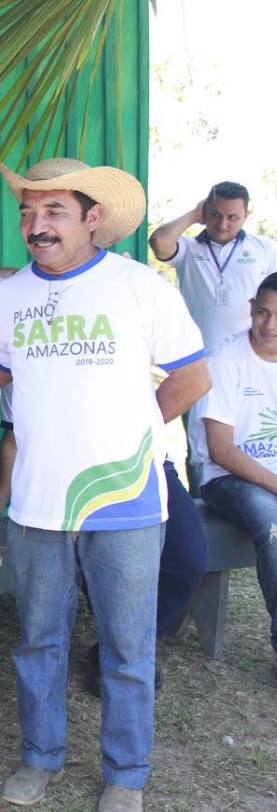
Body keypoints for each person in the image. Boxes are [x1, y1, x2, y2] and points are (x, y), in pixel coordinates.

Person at [0, 157, 209, 812]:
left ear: (92, 218)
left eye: (52, 211)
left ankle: (125, 773)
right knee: (36, 640)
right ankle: (40, 757)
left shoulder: (139, 287)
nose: (35, 225)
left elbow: (191, 378)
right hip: (36, 502)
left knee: (124, 645)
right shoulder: (10, 296)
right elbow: (1, 377)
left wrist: (127, 427)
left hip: (124, 498)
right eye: (27, 211)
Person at [0, 389, 209, 697]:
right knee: (91, 558)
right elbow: (14, 437)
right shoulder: (27, 347)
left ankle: (128, 646)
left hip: (143, 463)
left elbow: (192, 380)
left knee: (188, 560)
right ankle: (118, 656)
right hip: (66, 472)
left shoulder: (126, 339)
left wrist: (132, 431)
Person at [189, 272, 277, 685]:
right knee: (273, 524)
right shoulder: (226, 359)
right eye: (262, 312)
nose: (269, 325)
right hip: (226, 478)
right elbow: (221, 449)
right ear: (250, 308)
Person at [150, 182, 277, 351]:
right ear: (205, 213)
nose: (223, 224)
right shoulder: (188, 248)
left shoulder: (265, 248)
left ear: (246, 215)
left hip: (249, 354)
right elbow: (158, 242)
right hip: (198, 354)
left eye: (233, 217)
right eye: (216, 215)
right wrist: (194, 214)